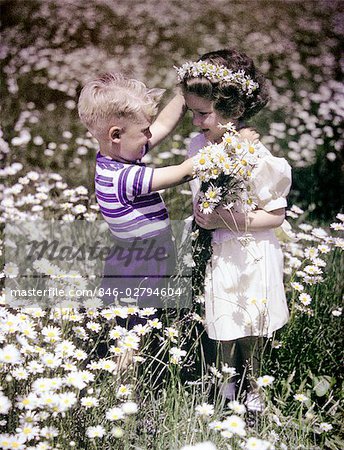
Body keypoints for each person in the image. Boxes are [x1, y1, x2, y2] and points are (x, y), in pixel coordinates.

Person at [176, 49, 292, 410]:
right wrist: (201, 212)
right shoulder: (198, 146)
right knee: (221, 321)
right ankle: (224, 387)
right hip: (216, 251)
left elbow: (276, 216)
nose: (196, 122)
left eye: (203, 114)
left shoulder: (256, 156)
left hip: (250, 250)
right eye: (192, 112)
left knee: (251, 326)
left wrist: (226, 219)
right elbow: (197, 190)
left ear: (236, 110)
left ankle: (255, 388)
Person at [78, 72, 195, 327]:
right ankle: (124, 367)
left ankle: (127, 361)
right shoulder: (125, 177)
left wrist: (183, 95)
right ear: (116, 135)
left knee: (137, 324)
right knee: (133, 331)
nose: (149, 136)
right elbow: (183, 172)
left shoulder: (114, 157)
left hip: (133, 259)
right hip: (140, 265)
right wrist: (226, 151)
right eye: (144, 131)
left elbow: (163, 125)